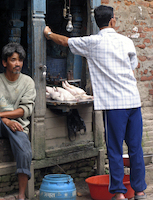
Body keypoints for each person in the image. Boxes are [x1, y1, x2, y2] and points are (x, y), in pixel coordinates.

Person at [44, 5, 147, 200]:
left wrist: (48, 33)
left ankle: (119, 194)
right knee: (135, 148)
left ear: (96, 22)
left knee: (115, 149)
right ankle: (140, 191)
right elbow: (132, 68)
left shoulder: (92, 42)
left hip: (115, 105)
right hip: (133, 101)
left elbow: (65, 41)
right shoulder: (126, 42)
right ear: (113, 20)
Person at [0, 42, 36, 200]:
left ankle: (21, 195)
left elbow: (25, 110)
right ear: (4, 62)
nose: (18, 64)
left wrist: (4, 116)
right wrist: (5, 120)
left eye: (20, 60)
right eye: (13, 60)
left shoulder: (28, 82)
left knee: (25, 153)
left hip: (18, 125)